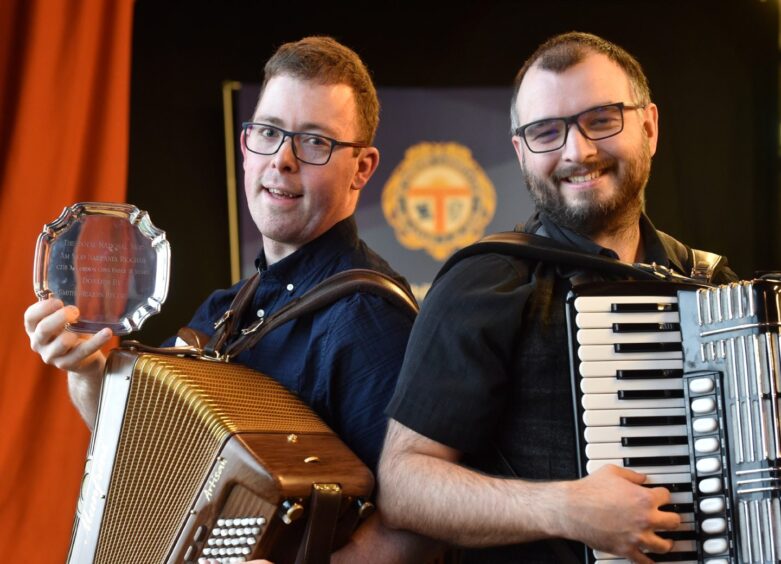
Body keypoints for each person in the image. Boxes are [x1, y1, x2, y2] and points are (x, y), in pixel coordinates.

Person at [25, 36, 431, 562]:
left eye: (314, 142)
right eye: (268, 132)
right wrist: (83, 367)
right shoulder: (223, 311)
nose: (283, 160)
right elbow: (138, 455)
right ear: (246, 146)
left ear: (362, 167)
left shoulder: (370, 317)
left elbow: (415, 526)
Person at [377, 31, 738, 564]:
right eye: (547, 131)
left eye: (601, 119)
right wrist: (566, 508)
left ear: (650, 126)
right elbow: (404, 487)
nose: (578, 151)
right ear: (521, 152)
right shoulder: (484, 282)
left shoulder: (710, 284)